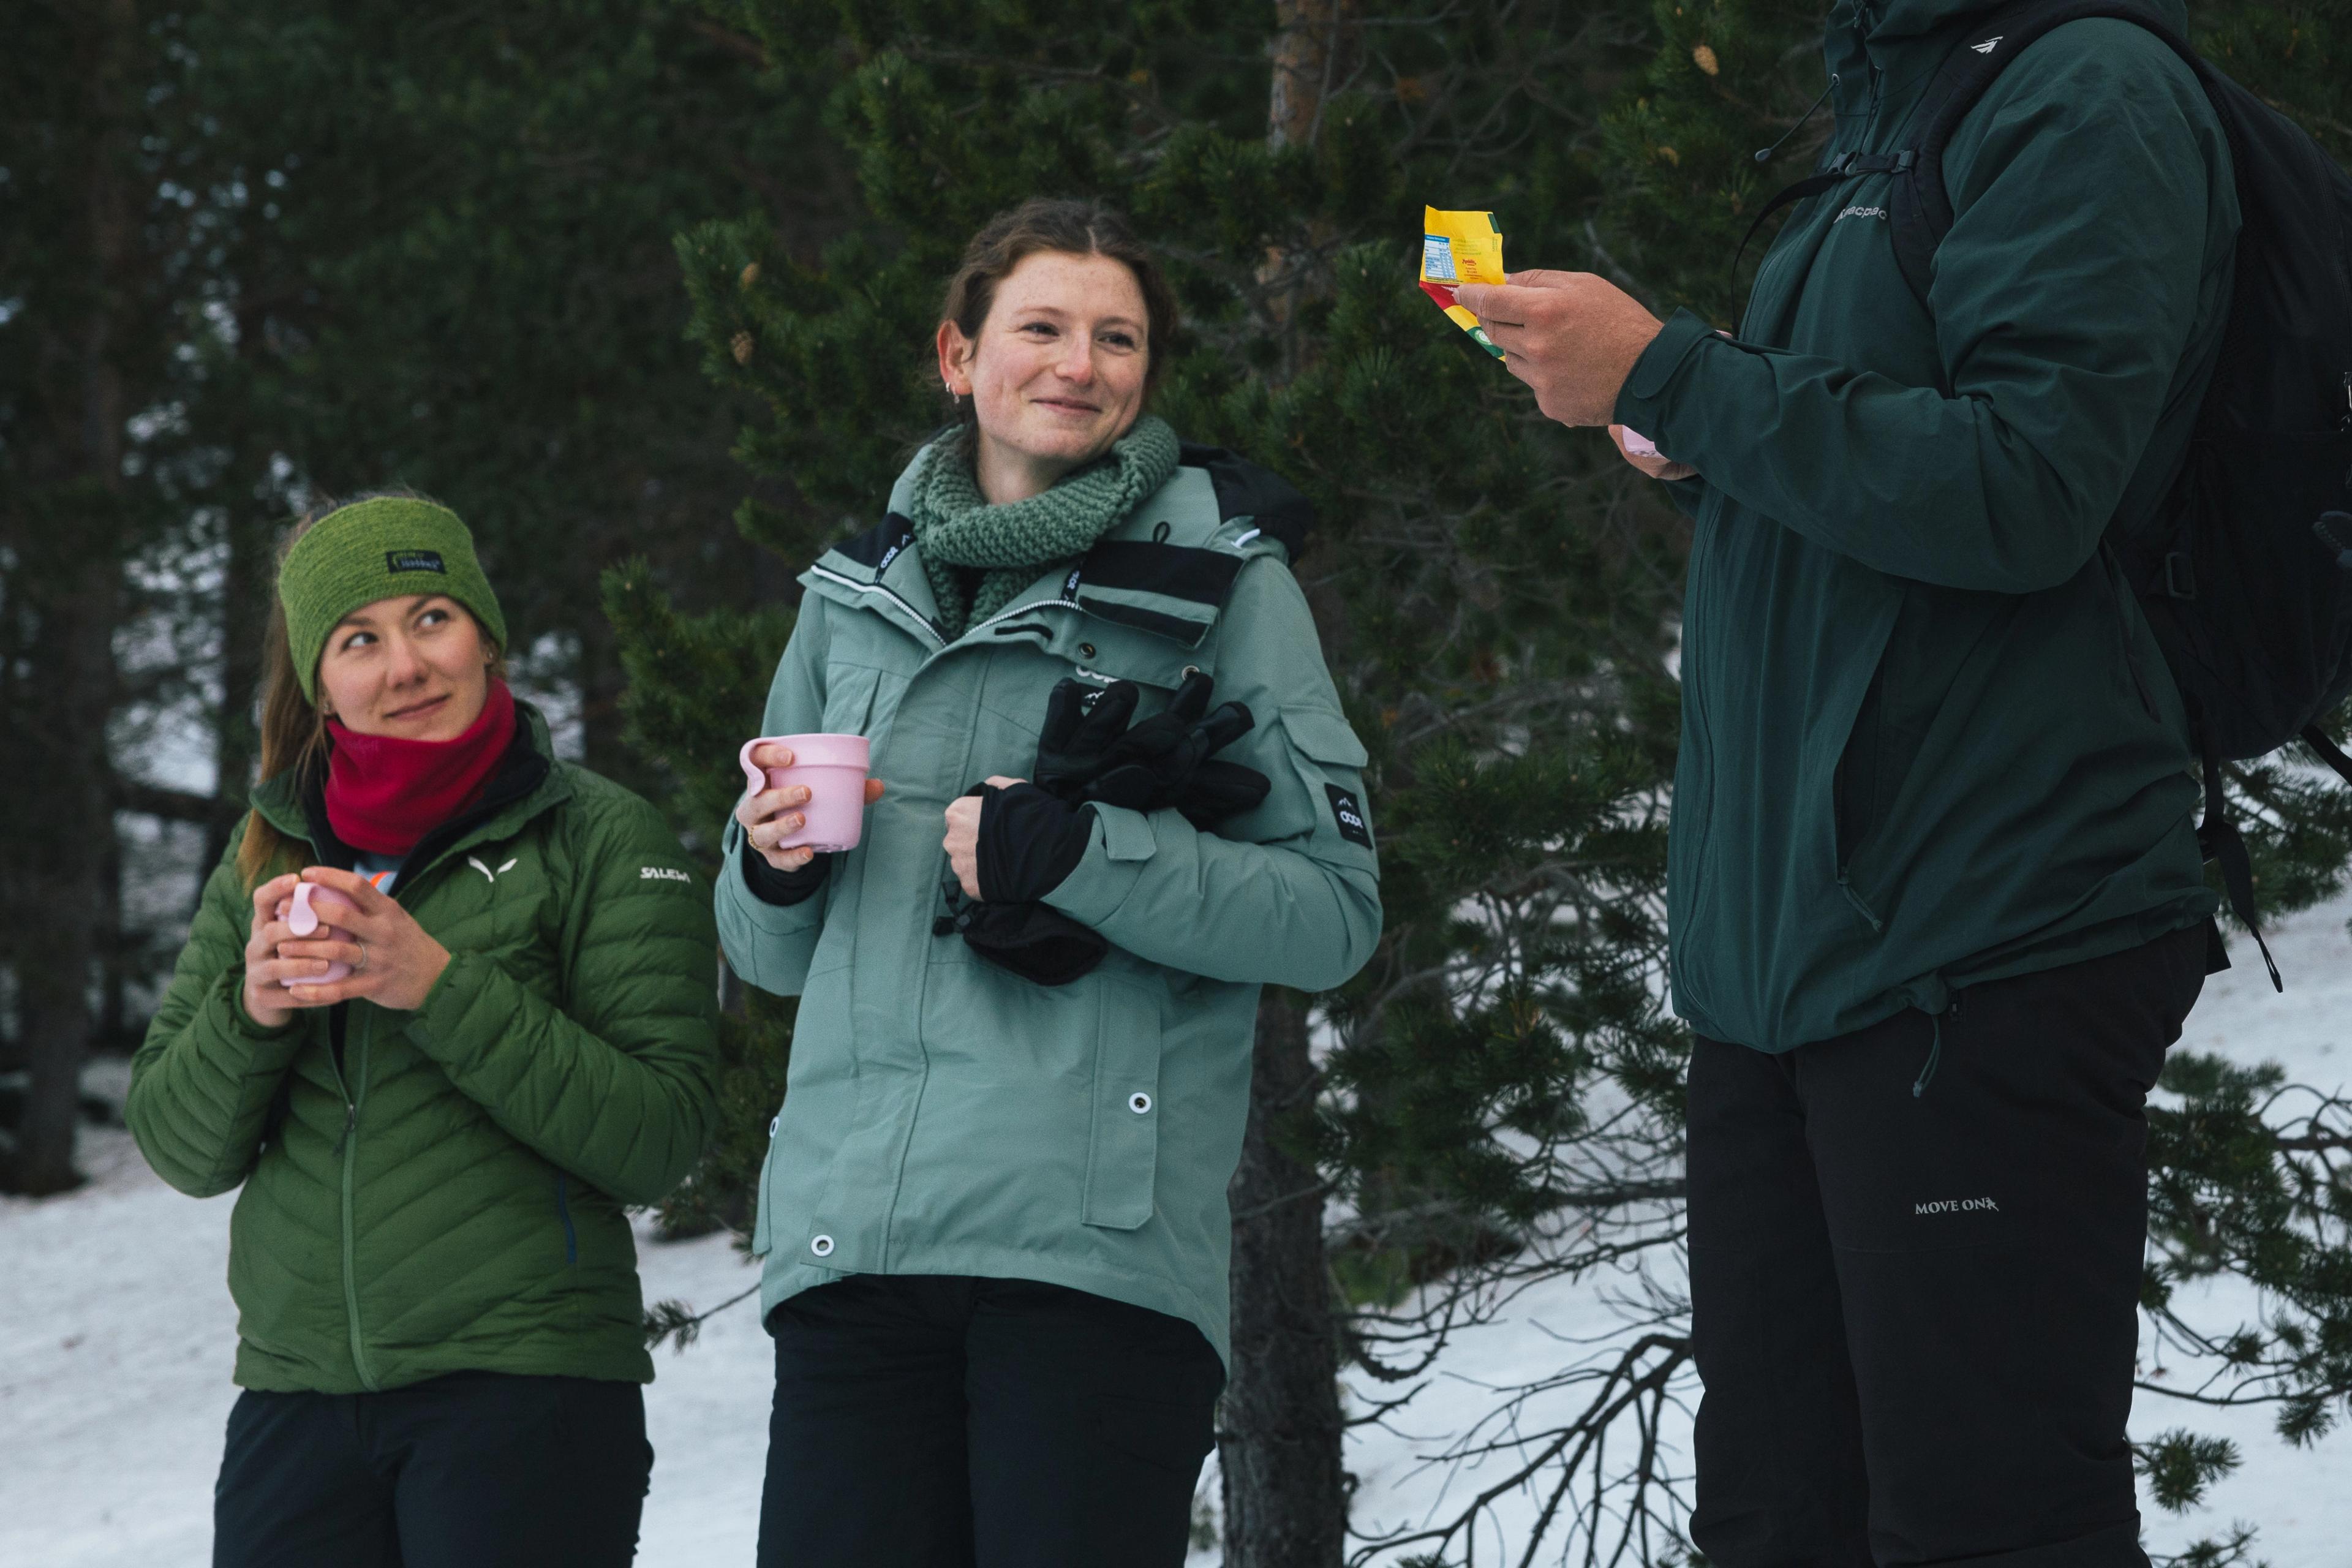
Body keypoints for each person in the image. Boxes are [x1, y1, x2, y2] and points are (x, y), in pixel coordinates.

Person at [1452, 1, 2237, 1562]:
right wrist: (1692, 419)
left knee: (1986, 1521)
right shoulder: (1893, 106)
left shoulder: (2091, 89)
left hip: (1987, 924)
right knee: (1777, 1518)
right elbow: (1883, 488)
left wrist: (1684, 374)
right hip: (1791, 959)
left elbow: (2028, 487)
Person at [718, 197, 1382, 1567]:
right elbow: (766, 955)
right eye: (1044, 327)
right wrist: (770, 861)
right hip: (857, 1244)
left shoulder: (1225, 589)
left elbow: (1333, 911)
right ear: (958, 359)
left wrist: (1092, 857)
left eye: (1117, 336)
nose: (1080, 362)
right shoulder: (850, 596)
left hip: (1089, 1260)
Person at [126, 494, 720, 1568]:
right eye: (360, 639)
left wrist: (439, 988)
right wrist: (249, 1012)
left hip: (525, 1388)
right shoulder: (267, 850)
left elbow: (664, 1134)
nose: (405, 666)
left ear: (486, 635)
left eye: (432, 619)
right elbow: (179, 1145)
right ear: (322, 685)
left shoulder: (600, 835)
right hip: (297, 1398)